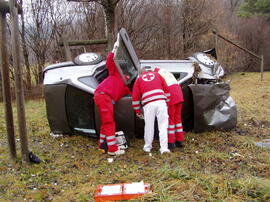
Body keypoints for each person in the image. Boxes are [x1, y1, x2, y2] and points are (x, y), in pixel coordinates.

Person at [94, 36, 130, 156]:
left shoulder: (124, 85)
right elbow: (110, 62)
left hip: (102, 95)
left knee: (106, 122)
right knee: (109, 122)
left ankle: (102, 145)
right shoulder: (116, 74)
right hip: (104, 95)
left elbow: (132, 94)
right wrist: (114, 49)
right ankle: (112, 149)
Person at [132, 66, 171, 154]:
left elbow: (135, 97)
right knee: (163, 126)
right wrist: (166, 104)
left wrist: (137, 111)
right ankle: (164, 148)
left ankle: (147, 147)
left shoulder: (139, 79)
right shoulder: (158, 75)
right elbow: (167, 90)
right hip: (161, 102)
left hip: (148, 104)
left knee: (149, 126)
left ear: (141, 73)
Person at [154, 67, 185, 149]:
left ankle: (170, 142)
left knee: (170, 119)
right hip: (179, 95)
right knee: (177, 119)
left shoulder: (157, 75)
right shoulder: (167, 73)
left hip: (172, 96)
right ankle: (180, 140)